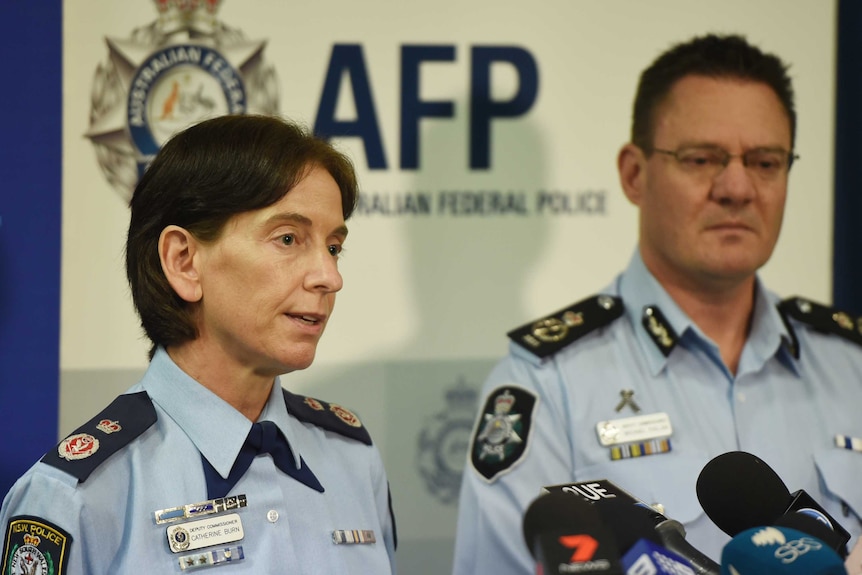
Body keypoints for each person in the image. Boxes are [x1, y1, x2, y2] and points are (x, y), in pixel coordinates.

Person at [452, 34, 862, 574]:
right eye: (702, 158)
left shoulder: (851, 365)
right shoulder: (549, 387)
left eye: (765, 161)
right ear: (634, 174)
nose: (738, 187)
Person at [0, 115, 397, 574]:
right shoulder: (75, 498)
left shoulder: (352, 457)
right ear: (184, 261)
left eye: (333, 247)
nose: (330, 277)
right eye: (288, 238)